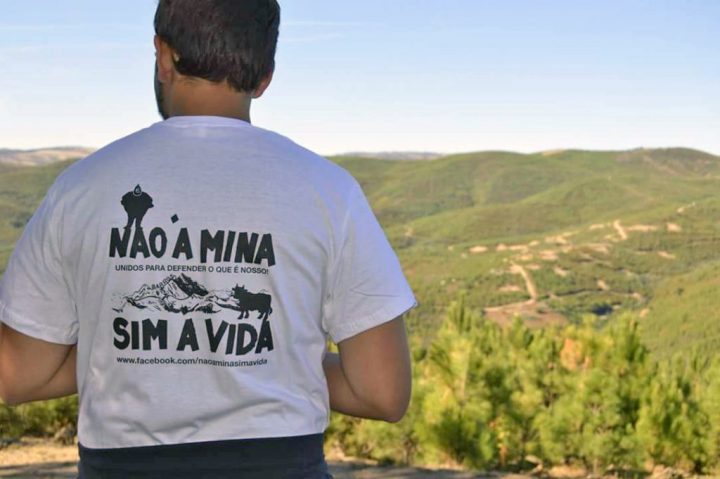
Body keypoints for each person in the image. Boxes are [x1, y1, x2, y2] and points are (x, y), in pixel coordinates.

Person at [0, 1, 417, 477]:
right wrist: (277, 358)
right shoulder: (329, 191)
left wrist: (136, 354)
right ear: (265, 77)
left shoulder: (79, 188)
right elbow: (382, 393)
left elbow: (17, 376)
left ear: (163, 56)